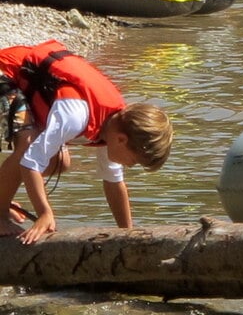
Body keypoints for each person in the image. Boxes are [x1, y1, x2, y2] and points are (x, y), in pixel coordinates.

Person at [0, 40, 173, 245]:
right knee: (27, 148)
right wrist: (45, 213)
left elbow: (114, 183)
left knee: (60, 162)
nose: (129, 166)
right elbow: (30, 162)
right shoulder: (75, 116)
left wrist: (127, 234)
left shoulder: (115, 125)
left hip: (25, 85)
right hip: (6, 73)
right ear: (121, 140)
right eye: (133, 161)